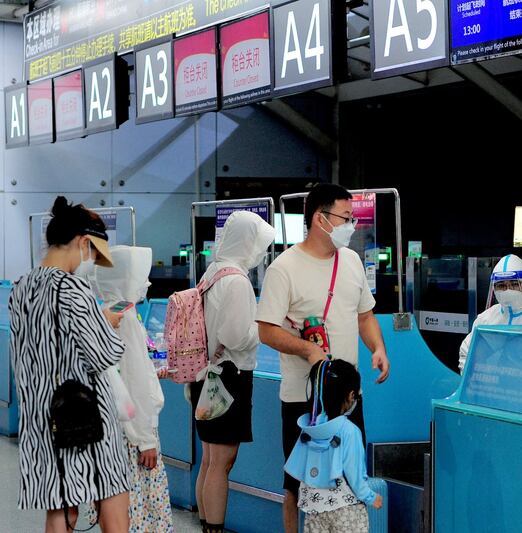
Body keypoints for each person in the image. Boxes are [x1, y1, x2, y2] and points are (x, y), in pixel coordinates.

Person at [257, 183, 390, 533]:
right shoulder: (284, 269)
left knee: (348, 477)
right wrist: (307, 350)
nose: (352, 225)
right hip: (303, 400)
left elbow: (365, 316)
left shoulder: (351, 262)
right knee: (297, 485)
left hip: (346, 400)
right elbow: (266, 330)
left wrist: (378, 347)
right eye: (346, 217)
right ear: (321, 218)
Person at [9, 196, 130, 533]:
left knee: (62, 512)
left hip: (41, 417)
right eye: (92, 253)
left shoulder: (21, 287)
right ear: (83, 241)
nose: (89, 260)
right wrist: (108, 323)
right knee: (113, 499)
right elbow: (104, 354)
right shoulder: (72, 287)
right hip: (85, 417)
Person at [190, 210, 275, 533]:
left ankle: (203, 522)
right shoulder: (237, 281)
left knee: (210, 459)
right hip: (229, 378)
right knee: (222, 463)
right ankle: (214, 527)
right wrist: (267, 329)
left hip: (206, 376)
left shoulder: (212, 271)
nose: (261, 251)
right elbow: (236, 336)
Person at [94, 246, 174, 532]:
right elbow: (135, 383)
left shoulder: (106, 312)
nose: (148, 283)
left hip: (116, 432)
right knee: (140, 511)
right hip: (134, 434)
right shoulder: (125, 318)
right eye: (141, 276)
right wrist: (146, 440)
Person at [285, 359, 382, 533]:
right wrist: (371, 497)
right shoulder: (349, 431)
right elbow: (355, 473)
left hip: (314, 509)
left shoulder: (309, 428)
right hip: (346, 510)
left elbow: (298, 467)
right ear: (351, 395)